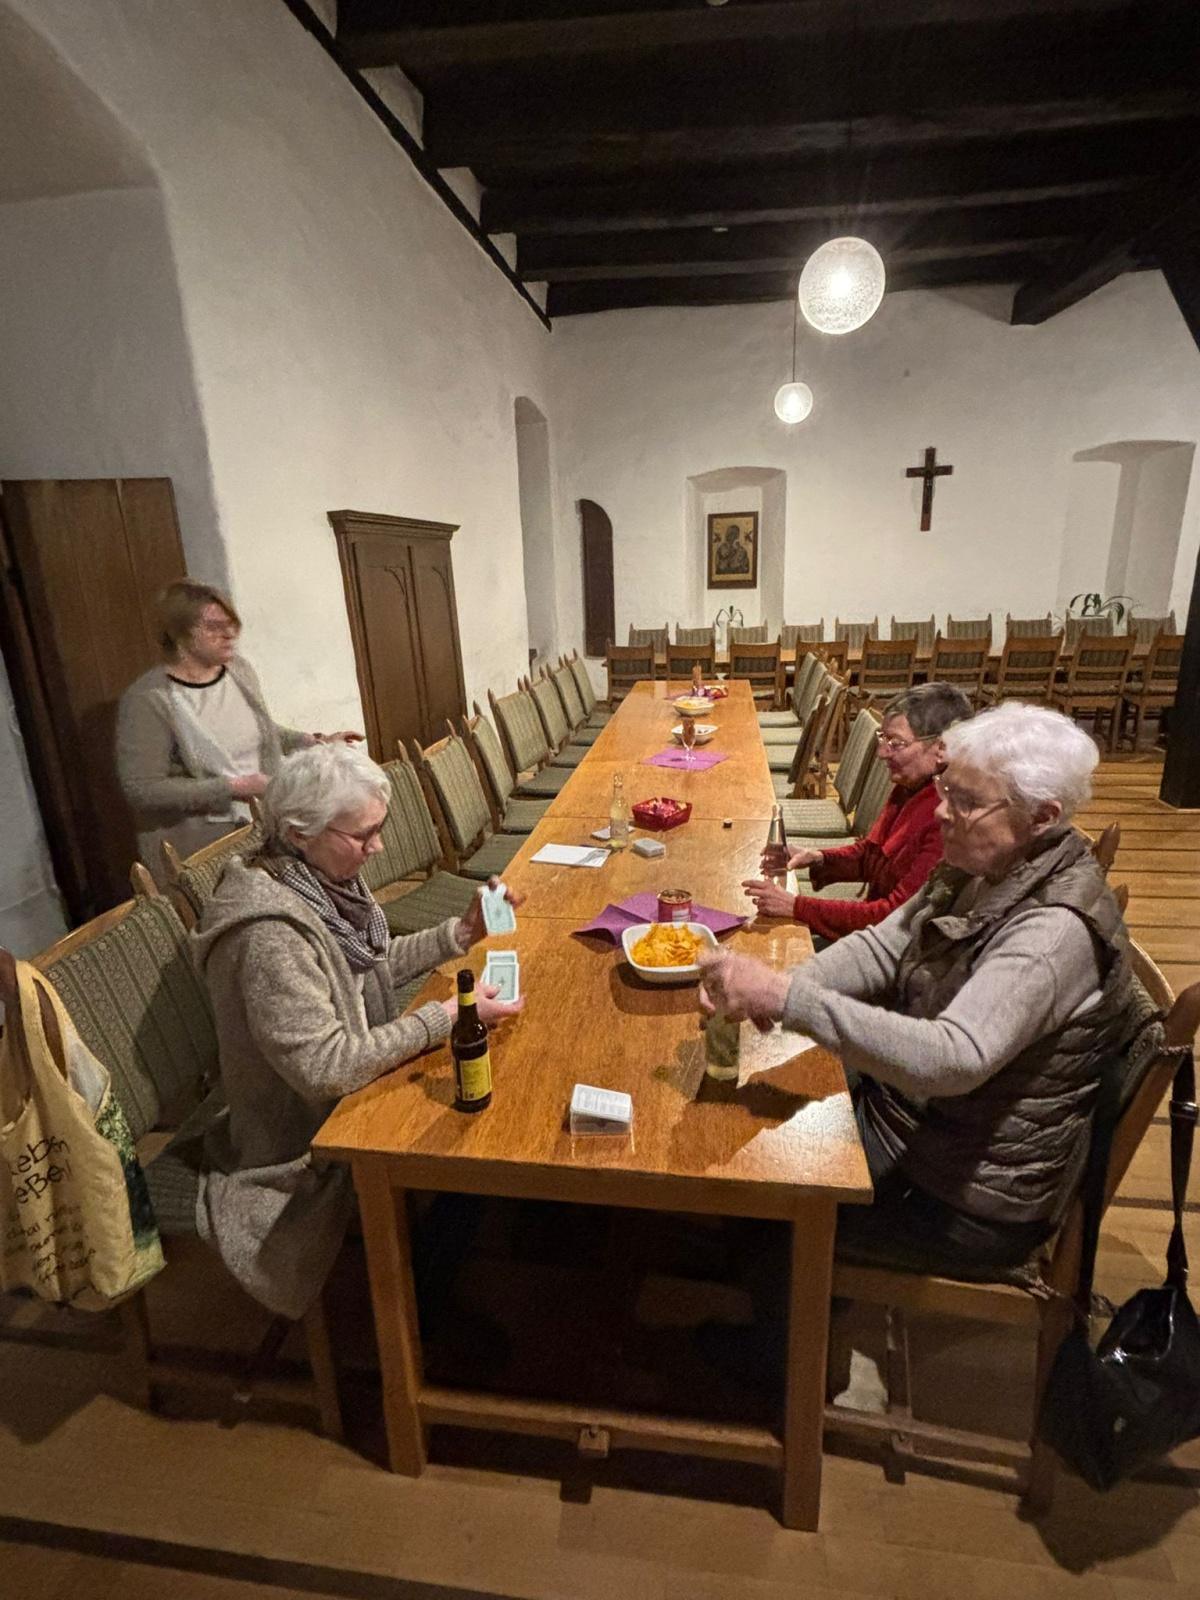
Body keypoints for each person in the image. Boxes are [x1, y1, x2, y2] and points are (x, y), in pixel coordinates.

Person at [700, 701, 1147, 1279]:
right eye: (944, 791)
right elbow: (885, 946)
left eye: (964, 802)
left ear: (1043, 815)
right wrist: (781, 985)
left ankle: (779, 1356)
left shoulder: (1053, 930)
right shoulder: (984, 863)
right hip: (922, 1123)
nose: (939, 813)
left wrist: (789, 1001)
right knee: (757, 1124)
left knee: (766, 1194)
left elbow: (951, 1059)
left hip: (967, 1195)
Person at [188, 742, 523, 1319]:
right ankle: (420, 1318)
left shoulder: (316, 879)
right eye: (362, 835)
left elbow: (369, 965)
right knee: (478, 1134)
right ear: (298, 831)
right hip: (303, 1136)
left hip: (341, 1087)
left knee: (494, 1099)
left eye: (379, 828)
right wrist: (443, 1020)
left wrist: (459, 934)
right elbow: (327, 1069)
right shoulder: (269, 933)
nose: (379, 847)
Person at [116, 579, 362, 877]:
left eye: (231, 624)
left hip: (261, 824)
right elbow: (143, 790)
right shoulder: (148, 699)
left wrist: (313, 741)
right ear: (179, 632)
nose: (229, 633)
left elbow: (260, 730)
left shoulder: (239, 671)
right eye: (214, 627)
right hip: (199, 846)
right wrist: (233, 788)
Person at [742, 682, 973, 940]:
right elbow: (873, 855)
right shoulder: (913, 785)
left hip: (894, 952)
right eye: (882, 738)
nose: (881, 752)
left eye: (896, 743)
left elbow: (893, 918)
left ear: (941, 748)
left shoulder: (947, 817)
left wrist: (795, 906)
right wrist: (817, 857)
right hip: (870, 936)